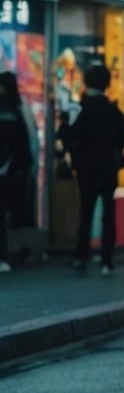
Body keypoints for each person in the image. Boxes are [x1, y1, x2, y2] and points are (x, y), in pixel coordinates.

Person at [64, 65, 124, 274]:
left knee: (87, 210)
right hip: (108, 168)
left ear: (87, 83)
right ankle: (106, 259)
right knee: (109, 212)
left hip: (86, 169)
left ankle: (81, 255)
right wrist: (120, 161)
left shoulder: (80, 110)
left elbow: (69, 138)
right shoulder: (114, 111)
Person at [0, 72, 37, 272]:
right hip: (14, 170)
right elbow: (27, 140)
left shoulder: (8, 109)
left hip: (8, 168)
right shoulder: (20, 108)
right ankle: (5, 255)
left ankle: (4, 255)